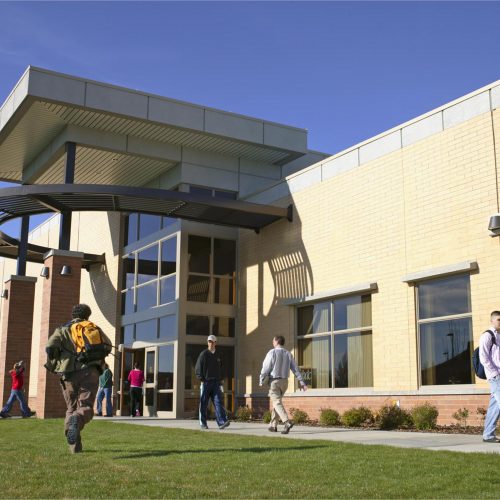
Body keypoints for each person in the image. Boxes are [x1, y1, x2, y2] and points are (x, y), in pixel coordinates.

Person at [45, 304, 111, 453]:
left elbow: (50, 347)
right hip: (91, 371)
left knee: (71, 408)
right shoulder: (93, 328)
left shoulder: (62, 329)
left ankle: (74, 447)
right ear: (88, 315)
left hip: (68, 374)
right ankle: (79, 420)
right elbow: (108, 345)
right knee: (85, 406)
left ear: (73, 314)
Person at [259, 335, 307, 434]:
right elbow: (295, 369)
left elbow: (266, 367)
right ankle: (273, 426)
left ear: (276, 341)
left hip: (274, 381)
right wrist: (301, 382)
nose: (272, 342)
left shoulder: (272, 352)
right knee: (277, 403)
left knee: (276, 402)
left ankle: (287, 422)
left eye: (273, 340)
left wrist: (261, 379)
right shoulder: (288, 353)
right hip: (285, 382)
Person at [195, 334, 230, 430]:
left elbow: (222, 369)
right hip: (206, 382)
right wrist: (201, 379)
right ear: (207, 342)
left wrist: (221, 379)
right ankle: (203, 423)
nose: (210, 343)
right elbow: (198, 369)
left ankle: (222, 422)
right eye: (209, 341)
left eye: (212, 341)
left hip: (216, 383)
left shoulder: (218, 355)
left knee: (218, 402)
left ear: (215, 343)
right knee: (204, 403)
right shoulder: (203, 354)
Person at [480, 310, 500, 443]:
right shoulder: (487, 335)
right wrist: (495, 373)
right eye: (499, 319)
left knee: (495, 406)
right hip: (495, 376)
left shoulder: (499, 336)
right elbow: (483, 357)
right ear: (492, 320)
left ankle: (488, 435)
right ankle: (488, 435)